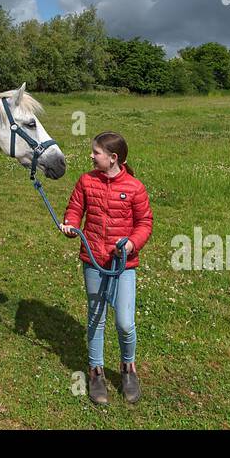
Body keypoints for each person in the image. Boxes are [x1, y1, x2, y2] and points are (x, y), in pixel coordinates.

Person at [60, 131, 153, 406]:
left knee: (125, 323)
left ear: (113, 158)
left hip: (123, 265)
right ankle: (96, 371)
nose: (91, 156)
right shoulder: (86, 181)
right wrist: (69, 224)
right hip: (93, 261)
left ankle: (128, 368)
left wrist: (130, 245)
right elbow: (75, 209)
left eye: (96, 153)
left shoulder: (135, 187)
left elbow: (144, 223)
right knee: (96, 318)